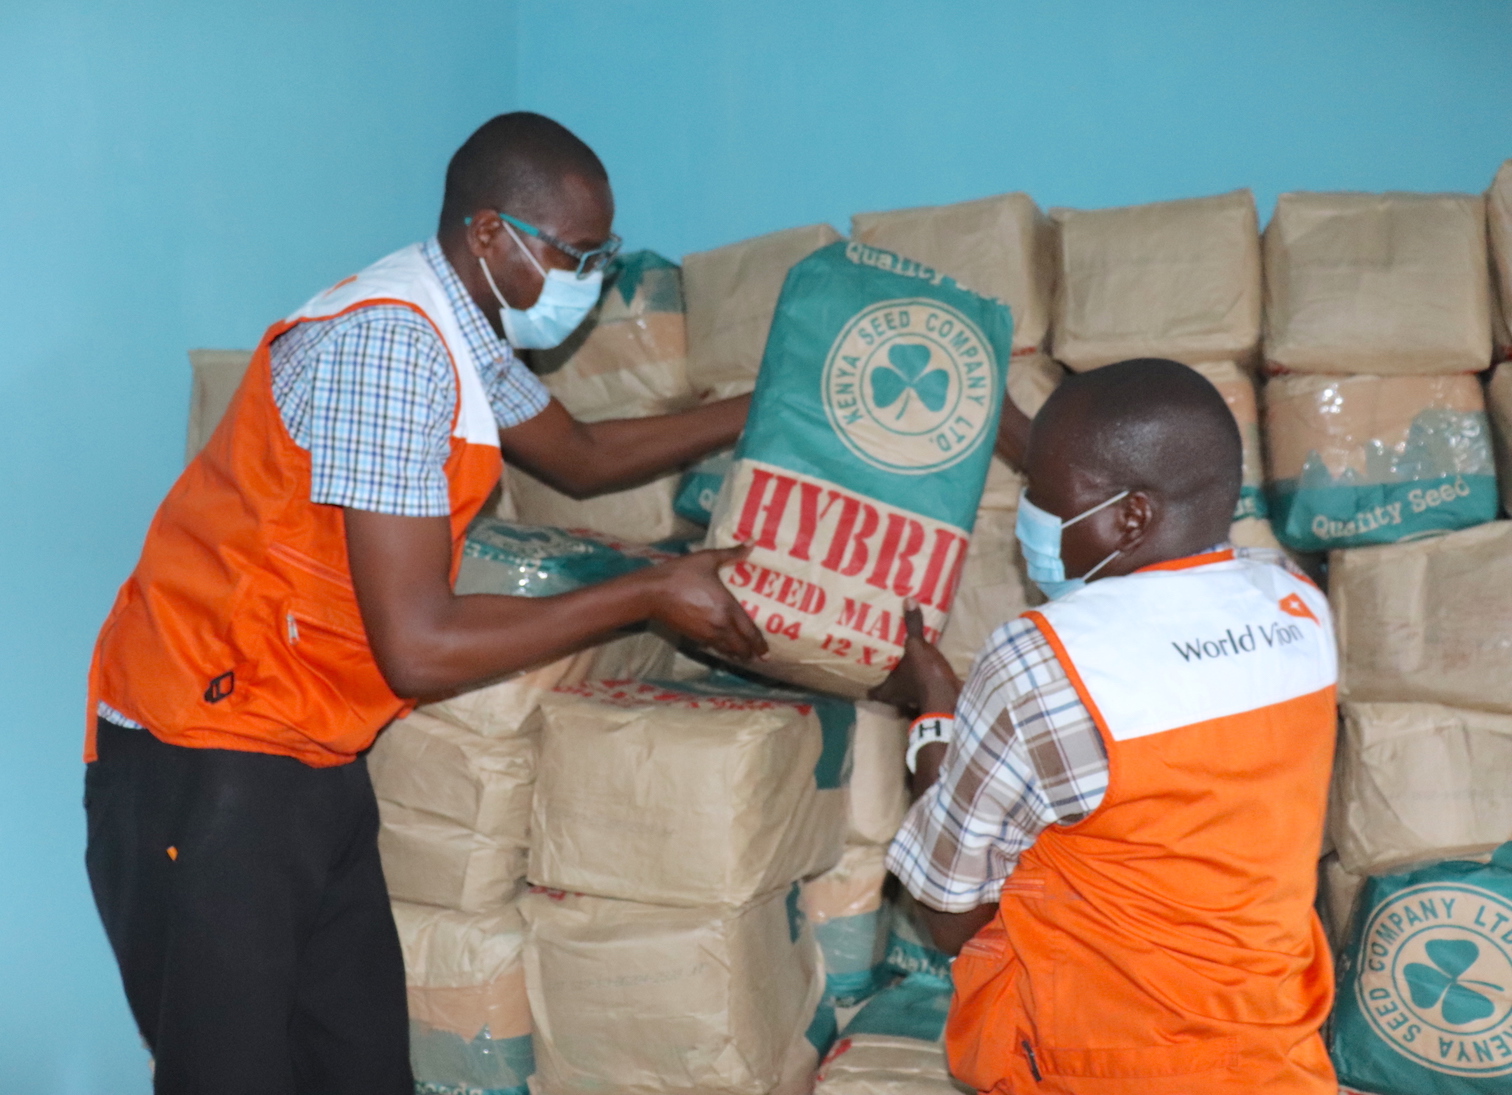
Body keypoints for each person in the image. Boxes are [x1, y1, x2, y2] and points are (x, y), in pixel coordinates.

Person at [83, 112, 767, 1095]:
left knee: (358, 1066)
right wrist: (652, 592)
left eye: (603, 257)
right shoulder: (392, 347)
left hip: (309, 746)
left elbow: (584, 458)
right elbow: (419, 645)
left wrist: (775, 402)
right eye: (576, 256)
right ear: (490, 233)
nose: (592, 280)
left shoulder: (460, 328)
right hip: (205, 749)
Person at [873, 358, 1339, 1094]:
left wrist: (936, 713)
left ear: (1131, 516)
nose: (1030, 514)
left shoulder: (1046, 660)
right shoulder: (1297, 603)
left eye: (1042, 496)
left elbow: (948, 912)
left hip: (1108, 1063)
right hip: (1274, 1051)